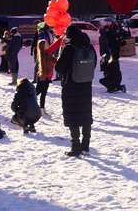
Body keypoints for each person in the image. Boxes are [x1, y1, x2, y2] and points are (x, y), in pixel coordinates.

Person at [55, 24, 96, 157]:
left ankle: (75, 146)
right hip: (86, 86)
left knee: (73, 116)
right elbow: (94, 65)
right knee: (85, 115)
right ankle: (86, 146)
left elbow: (59, 69)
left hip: (71, 88)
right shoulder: (89, 48)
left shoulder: (69, 49)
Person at [34, 38, 57, 109]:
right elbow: (54, 60)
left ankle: (42, 108)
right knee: (38, 92)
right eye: (46, 44)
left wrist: (61, 38)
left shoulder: (47, 52)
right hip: (43, 76)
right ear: (43, 47)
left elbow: (54, 46)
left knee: (43, 93)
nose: (48, 44)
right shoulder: (43, 55)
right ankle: (28, 104)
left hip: (46, 76)